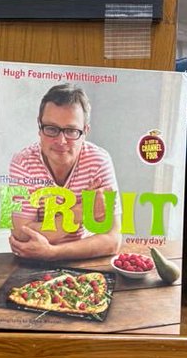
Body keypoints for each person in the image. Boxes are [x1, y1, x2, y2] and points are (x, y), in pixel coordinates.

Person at [7, 83, 121, 262]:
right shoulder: (21, 162)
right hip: (34, 261)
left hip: (80, 261)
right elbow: (21, 236)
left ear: (85, 131)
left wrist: (52, 252)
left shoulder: (99, 161)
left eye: (71, 131)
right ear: (40, 127)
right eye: (51, 129)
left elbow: (112, 241)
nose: (61, 141)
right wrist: (81, 211)